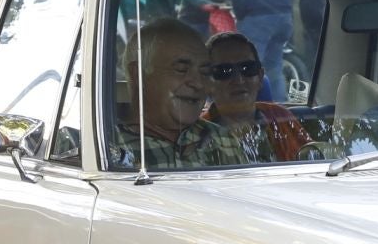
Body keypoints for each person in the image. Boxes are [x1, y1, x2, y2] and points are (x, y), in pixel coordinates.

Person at [113, 18, 249, 171]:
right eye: (181, 69)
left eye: (205, 72)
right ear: (139, 74)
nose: (198, 83)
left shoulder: (222, 139)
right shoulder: (105, 144)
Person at [201, 31, 309, 163]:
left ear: (260, 77)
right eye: (224, 71)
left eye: (248, 68)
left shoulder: (281, 118)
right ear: (206, 82)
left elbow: (313, 159)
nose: (239, 80)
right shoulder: (196, 134)